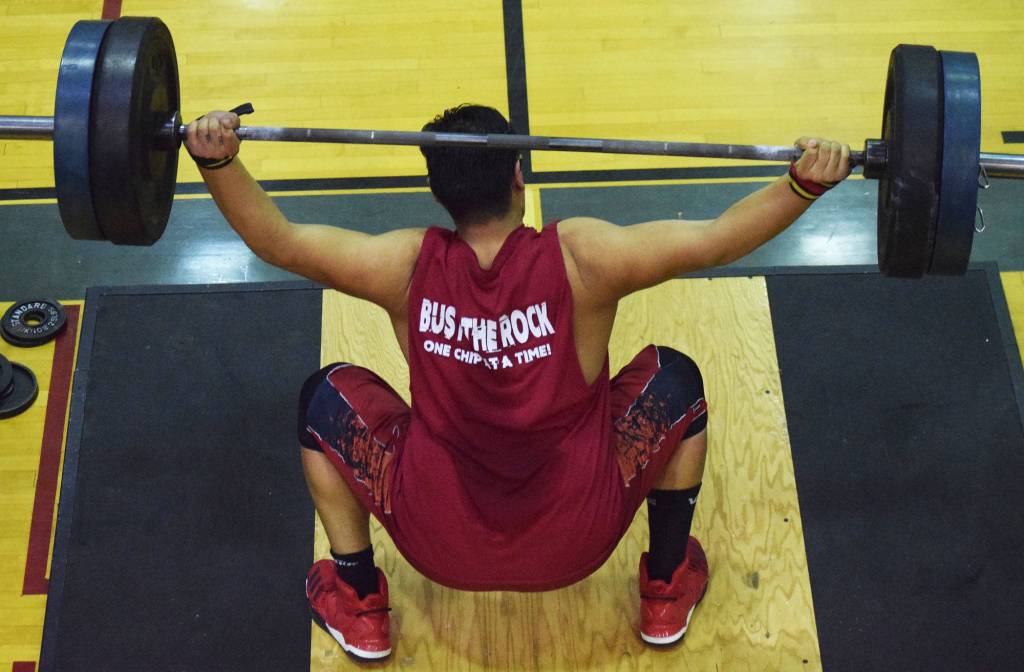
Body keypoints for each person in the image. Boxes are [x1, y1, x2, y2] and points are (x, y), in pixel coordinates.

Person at [185, 104, 850, 661]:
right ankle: (667, 587)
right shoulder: (583, 257)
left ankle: (359, 602)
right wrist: (803, 183)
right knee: (676, 378)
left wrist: (216, 158)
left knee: (323, 396)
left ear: (437, 191)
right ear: (518, 175)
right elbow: (716, 240)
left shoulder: (403, 266)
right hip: (579, 536)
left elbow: (278, 240)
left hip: (436, 540)